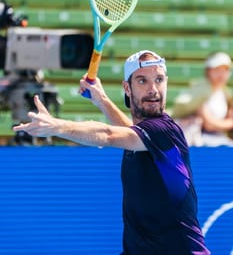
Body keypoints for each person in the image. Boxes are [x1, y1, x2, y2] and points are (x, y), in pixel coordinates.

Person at [13, 50, 210, 255]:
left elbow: (107, 134)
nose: (153, 89)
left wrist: (57, 126)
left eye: (159, 79)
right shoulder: (142, 139)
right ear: (127, 88)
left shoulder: (164, 130)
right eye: (142, 81)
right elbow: (128, 130)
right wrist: (101, 99)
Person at [172, 51, 233, 147]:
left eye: (225, 70)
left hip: (219, 138)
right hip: (200, 140)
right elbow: (208, 125)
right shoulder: (200, 91)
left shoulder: (226, 94)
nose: (221, 74)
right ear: (208, 71)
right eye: (217, 70)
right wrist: (227, 124)